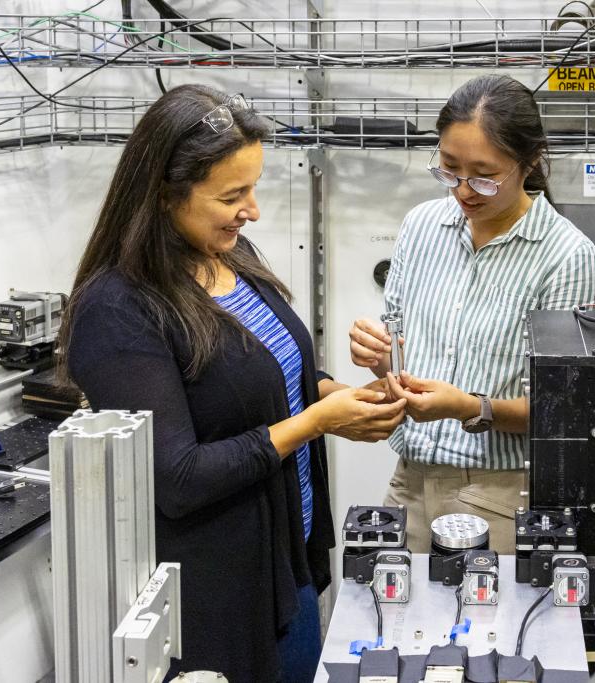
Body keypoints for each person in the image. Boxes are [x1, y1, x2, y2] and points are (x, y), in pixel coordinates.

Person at [59, 84, 406, 682]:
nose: (252, 210)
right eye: (232, 195)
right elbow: (179, 477)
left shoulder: (229, 253)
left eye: (253, 188)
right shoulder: (118, 308)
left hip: (285, 561)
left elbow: (266, 378)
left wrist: (335, 397)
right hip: (215, 593)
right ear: (166, 194)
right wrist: (317, 423)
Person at [349, 75, 595, 553]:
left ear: (528, 162)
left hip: (498, 493)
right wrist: (381, 358)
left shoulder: (566, 257)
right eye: (449, 170)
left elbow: (564, 411)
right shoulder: (423, 225)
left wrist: (472, 407)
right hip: (409, 479)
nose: (464, 190)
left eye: (484, 175)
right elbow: (403, 349)